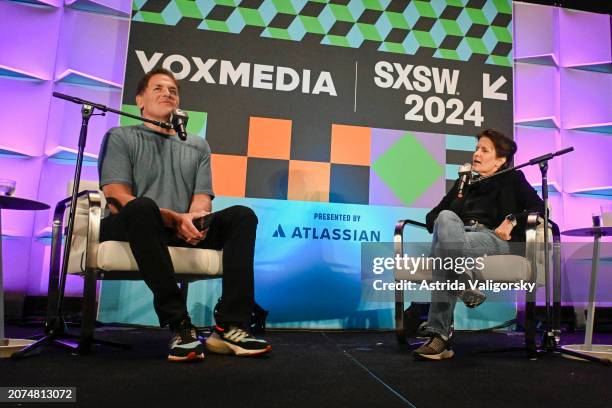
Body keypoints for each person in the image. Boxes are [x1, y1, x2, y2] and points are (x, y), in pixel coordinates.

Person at [98, 67, 271, 362]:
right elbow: (118, 196)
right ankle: (180, 324)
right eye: (158, 88)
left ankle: (230, 326)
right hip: (136, 224)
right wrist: (172, 218)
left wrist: (194, 220)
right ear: (140, 100)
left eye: (173, 90)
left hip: (180, 227)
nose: (167, 93)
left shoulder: (197, 144)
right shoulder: (121, 136)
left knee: (242, 215)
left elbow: (202, 199)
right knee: (142, 207)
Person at [413, 129, 544, 361]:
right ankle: (463, 278)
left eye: (484, 150)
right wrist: (447, 226)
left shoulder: (513, 178)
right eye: (476, 149)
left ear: (501, 160)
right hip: (459, 237)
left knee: (444, 249)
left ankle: (439, 337)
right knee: (445, 217)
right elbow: (433, 215)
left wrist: (512, 219)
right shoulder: (464, 182)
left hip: (493, 238)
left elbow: (539, 208)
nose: (477, 154)